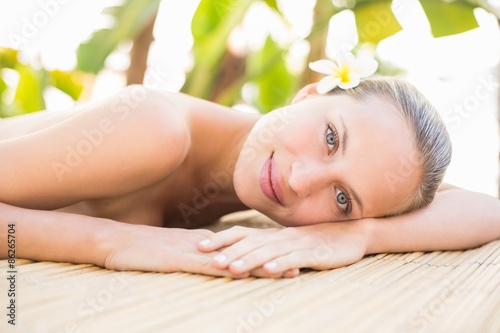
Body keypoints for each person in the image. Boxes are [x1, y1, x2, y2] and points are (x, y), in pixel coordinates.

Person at [0, 77, 499, 279]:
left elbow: (488, 209)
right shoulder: (157, 128)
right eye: (331, 137)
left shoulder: (270, 176)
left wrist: (359, 235)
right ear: (309, 93)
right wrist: (111, 242)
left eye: (343, 198)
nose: (302, 180)